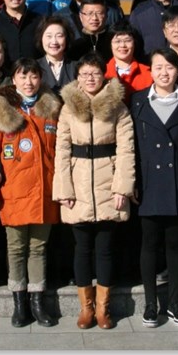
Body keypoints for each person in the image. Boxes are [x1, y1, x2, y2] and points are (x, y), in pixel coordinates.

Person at [52, 53, 135, 330]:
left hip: (108, 182)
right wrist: (64, 188)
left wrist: (122, 187)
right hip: (77, 183)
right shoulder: (68, 108)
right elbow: (61, 150)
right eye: (85, 74)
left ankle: (103, 308)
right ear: (77, 78)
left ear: (104, 76)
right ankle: (85, 308)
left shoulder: (118, 107)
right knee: (82, 248)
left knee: (105, 249)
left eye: (95, 73)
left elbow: (126, 150)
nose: (90, 78)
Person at [0, 59, 63, 328]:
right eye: (22, 76)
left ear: (41, 79)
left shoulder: (51, 109)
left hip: (45, 191)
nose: (28, 82)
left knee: (38, 248)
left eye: (34, 76)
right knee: (16, 248)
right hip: (14, 192)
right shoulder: (3, 110)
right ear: (13, 79)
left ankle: (37, 302)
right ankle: (19, 303)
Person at [130, 48, 178, 329]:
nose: (164, 72)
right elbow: (132, 147)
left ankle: (174, 302)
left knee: (175, 245)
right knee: (149, 244)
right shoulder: (138, 101)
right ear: (150, 71)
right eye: (158, 67)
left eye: (169, 67)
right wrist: (132, 182)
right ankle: (150, 304)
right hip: (148, 182)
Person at [104, 22, 152, 102]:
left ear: (135, 43)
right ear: (110, 44)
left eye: (127, 40)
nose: (123, 45)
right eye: (117, 41)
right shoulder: (102, 73)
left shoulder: (148, 73)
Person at [35, 15, 77, 95]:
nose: (54, 41)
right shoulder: (34, 67)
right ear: (41, 38)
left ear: (67, 39)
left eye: (59, 36)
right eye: (49, 36)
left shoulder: (77, 67)